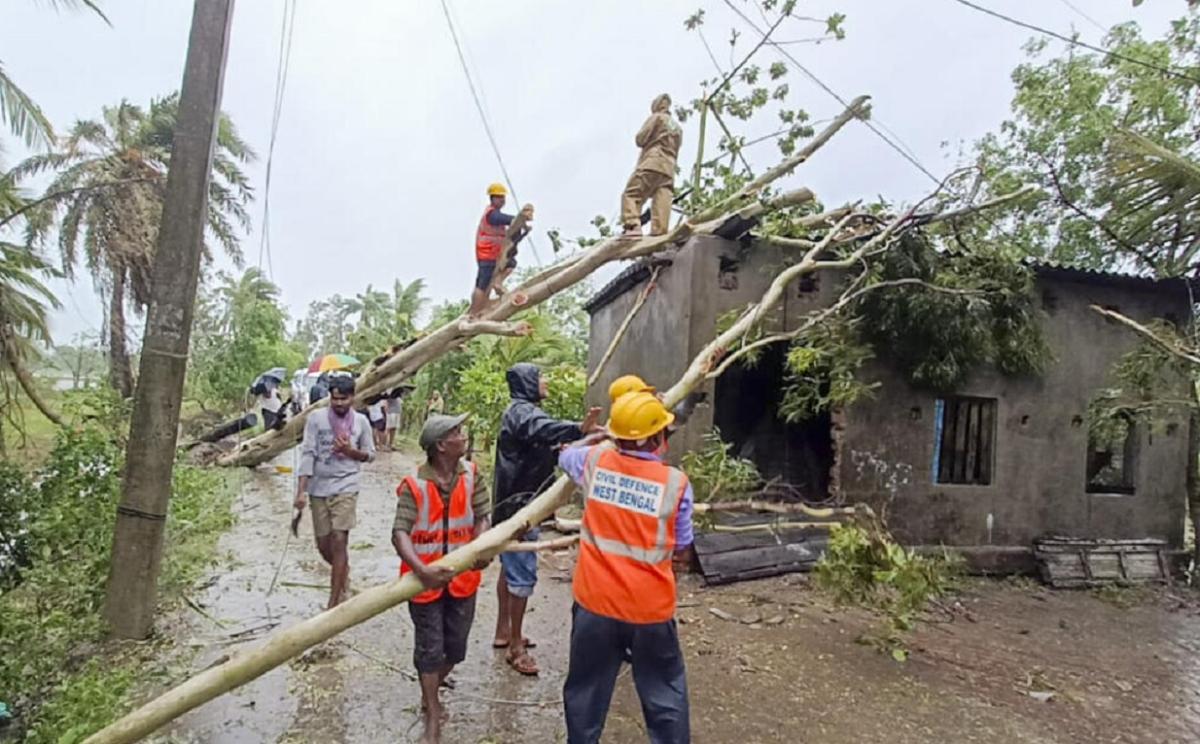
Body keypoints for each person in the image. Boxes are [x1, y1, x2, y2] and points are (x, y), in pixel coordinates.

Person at [557, 391, 694, 743]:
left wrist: (595, 438)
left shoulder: (593, 462)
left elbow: (566, 454)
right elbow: (682, 548)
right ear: (658, 439)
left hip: (595, 605)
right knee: (665, 696)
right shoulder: (676, 484)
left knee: (585, 694)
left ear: (616, 436)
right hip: (649, 610)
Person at [492, 363, 601, 676]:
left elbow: (546, 443)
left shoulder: (521, 414)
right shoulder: (522, 413)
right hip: (521, 507)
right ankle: (515, 648)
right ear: (527, 382)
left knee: (510, 569)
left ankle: (504, 631)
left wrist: (579, 441)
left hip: (515, 503)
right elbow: (545, 429)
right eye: (540, 377)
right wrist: (580, 429)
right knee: (522, 575)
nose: (546, 381)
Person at [392, 414, 491, 744]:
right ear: (440, 446)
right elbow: (400, 533)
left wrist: (480, 546)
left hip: (463, 579)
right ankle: (432, 707)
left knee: (456, 647)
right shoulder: (414, 484)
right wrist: (421, 569)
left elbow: (483, 515)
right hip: (423, 582)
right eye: (456, 433)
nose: (463, 437)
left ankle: (430, 689)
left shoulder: (473, 474)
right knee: (430, 648)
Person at [294, 375, 375, 609]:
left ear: (353, 398)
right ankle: (343, 572)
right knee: (323, 545)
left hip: (346, 486)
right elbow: (308, 453)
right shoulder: (316, 419)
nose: (339, 403)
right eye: (335, 399)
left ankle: (333, 602)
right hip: (319, 488)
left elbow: (370, 455)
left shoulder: (361, 422)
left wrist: (350, 451)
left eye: (344, 399)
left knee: (340, 540)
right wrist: (301, 492)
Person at [621, 93, 682, 237]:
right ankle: (659, 234)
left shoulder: (657, 118)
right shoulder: (678, 129)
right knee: (661, 200)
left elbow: (640, 139)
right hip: (669, 169)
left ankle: (632, 226)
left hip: (652, 161)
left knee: (631, 194)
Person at [468, 182, 531, 317]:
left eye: (503, 197)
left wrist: (521, 227)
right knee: (482, 284)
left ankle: (485, 301)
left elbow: (510, 229)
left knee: (510, 264)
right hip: (487, 254)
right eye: (499, 197)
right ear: (492, 198)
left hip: (495, 254)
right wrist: (520, 219)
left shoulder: (494, 215)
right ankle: (474, 312)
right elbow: (507, 219)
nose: (502, 200)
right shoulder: (491, 214)